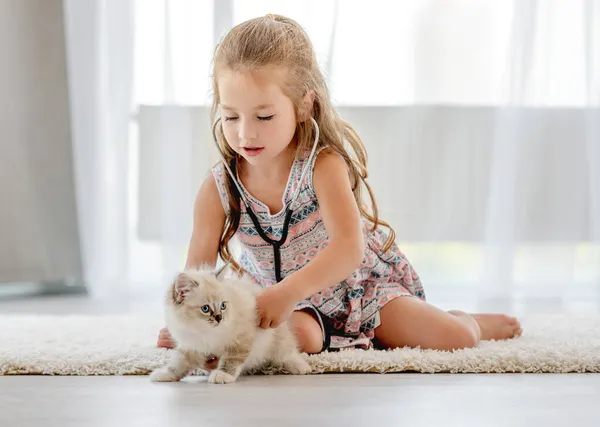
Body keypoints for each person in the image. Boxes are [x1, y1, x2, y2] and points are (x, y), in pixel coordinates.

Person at [157, 14, 522, 357]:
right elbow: (197, 274)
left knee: (454, 338)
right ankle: (334, 336)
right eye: (231, 116)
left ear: (303, 106)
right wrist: (184, 326)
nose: (245, 132)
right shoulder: (219, 187)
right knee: (303, 339)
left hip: (359, 288)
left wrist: (289, 291)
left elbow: (348, 248)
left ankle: (470, 320)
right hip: (284, 301)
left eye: (264, 116)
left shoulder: (322, 165)